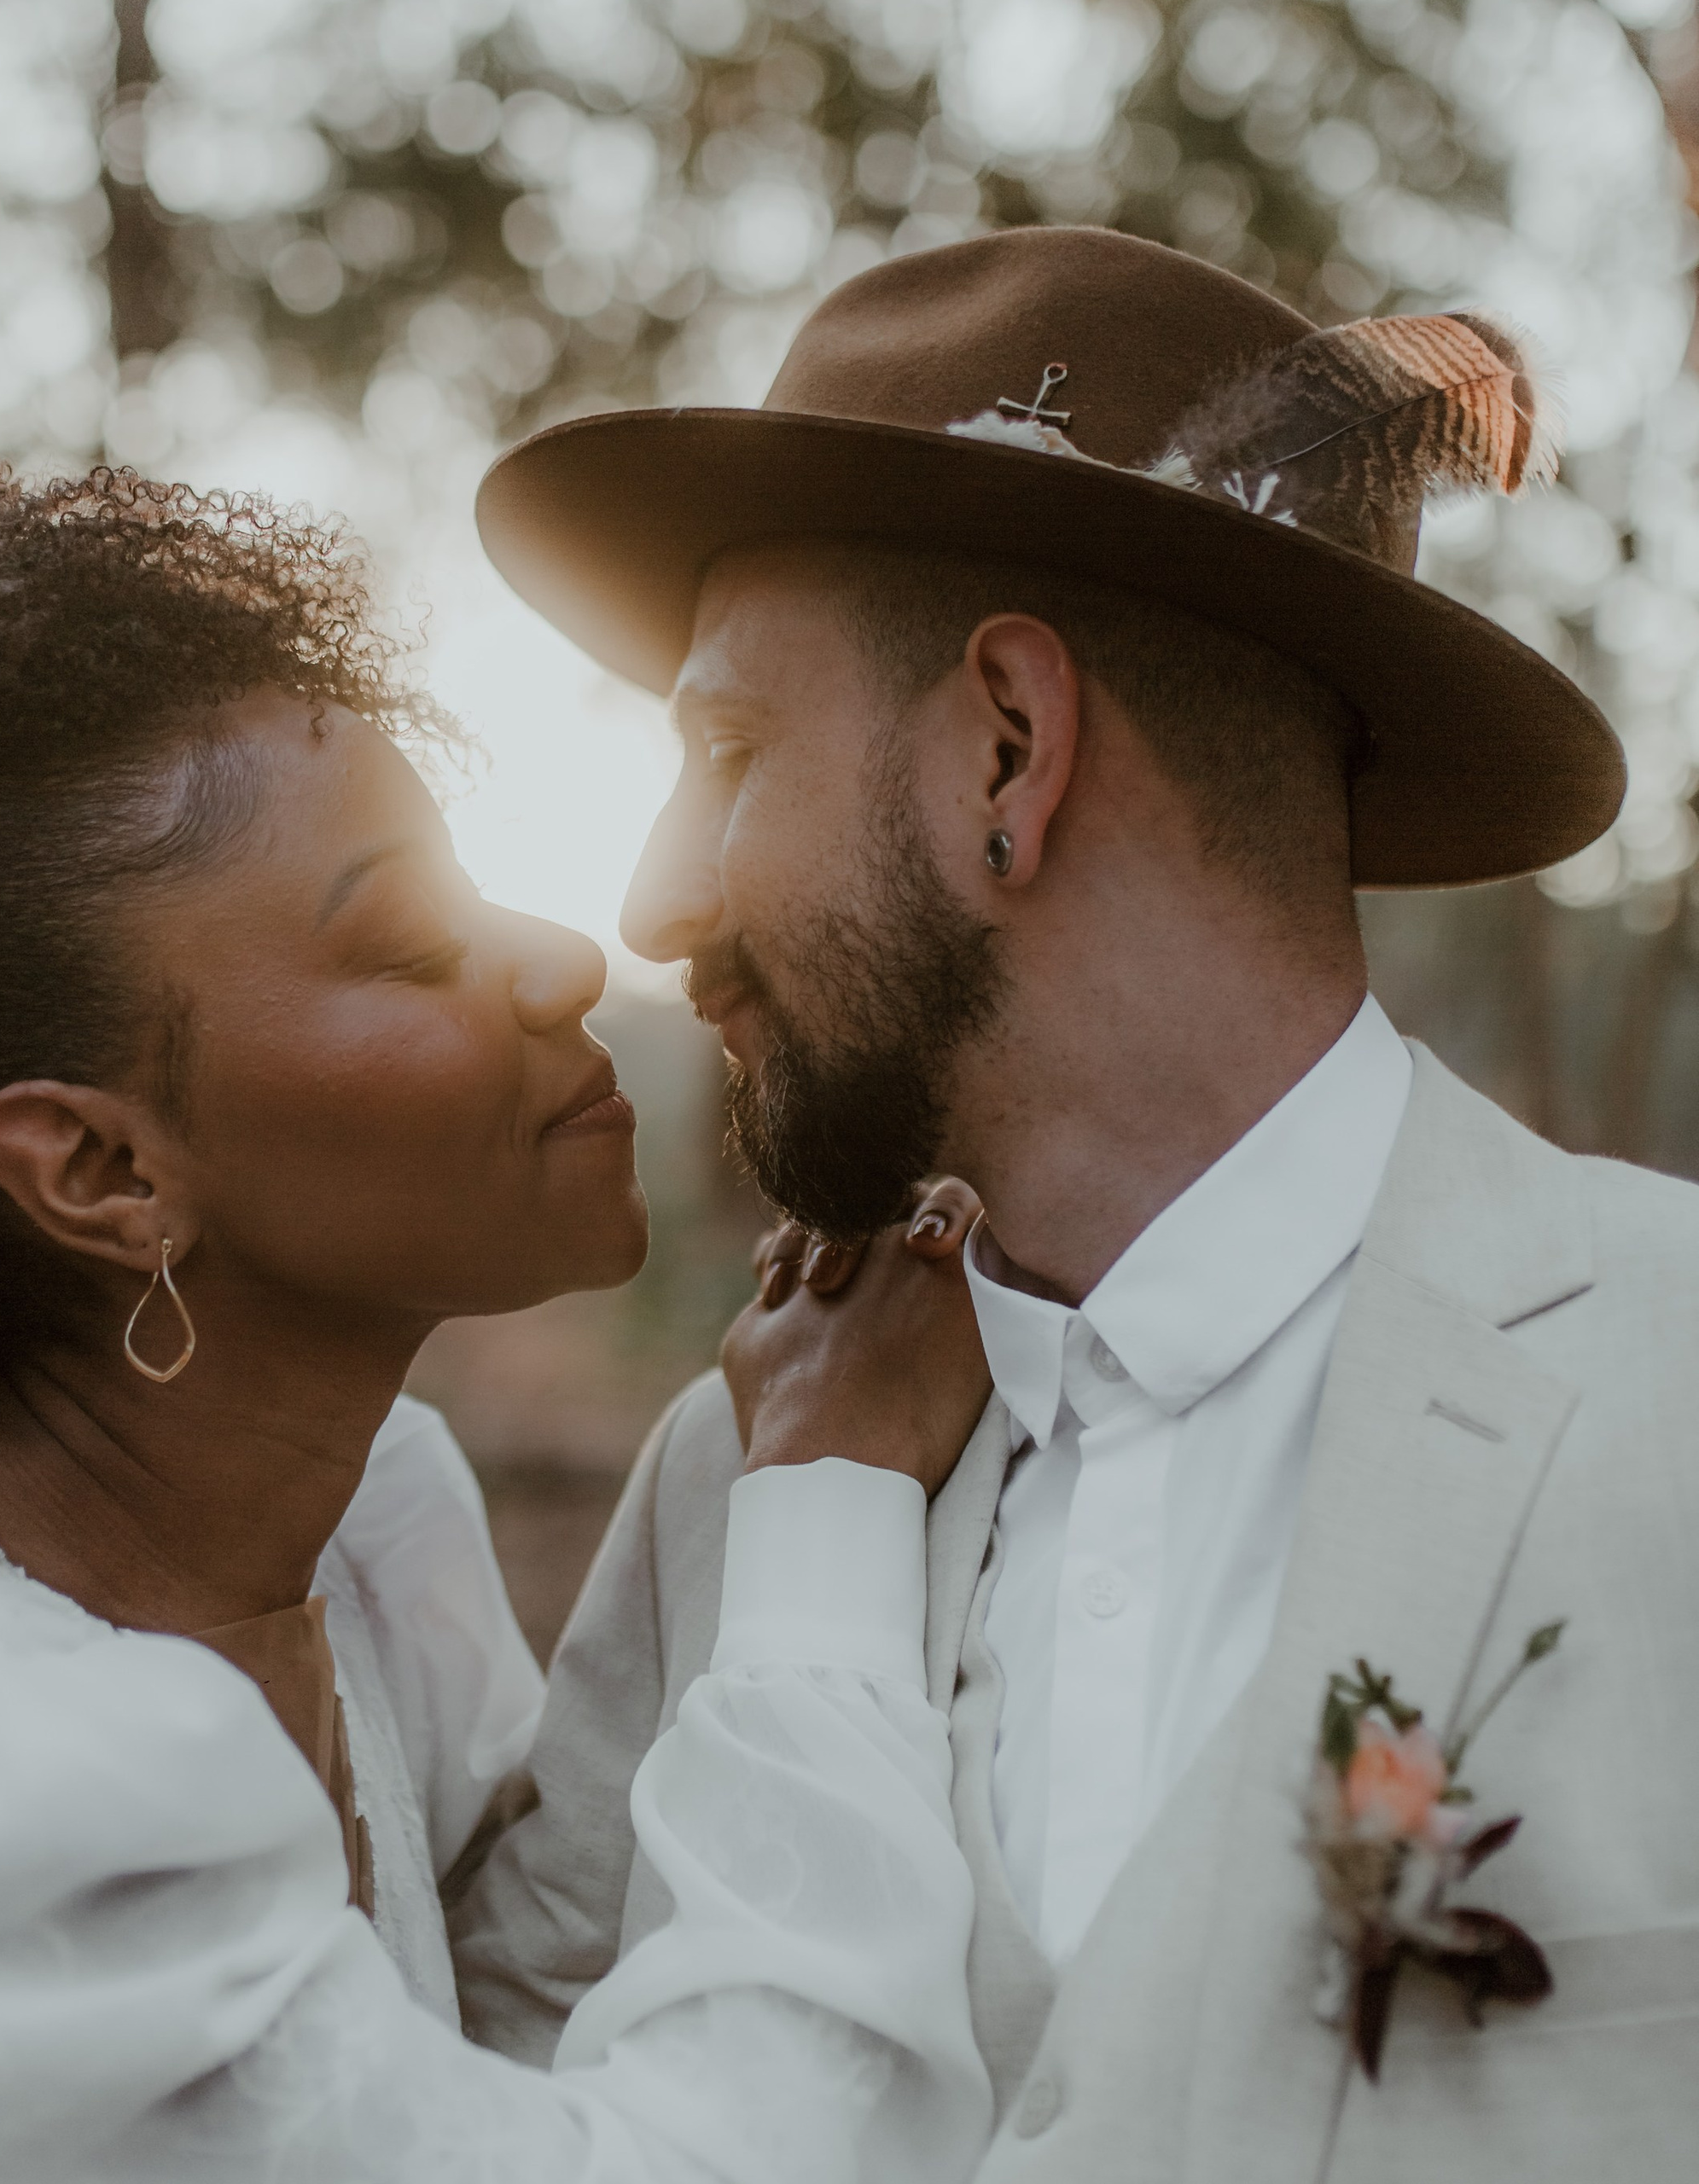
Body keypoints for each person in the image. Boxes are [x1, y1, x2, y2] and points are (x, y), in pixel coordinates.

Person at [0, 461, 1001, 2182]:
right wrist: (825, 1496)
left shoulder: (355, 1534)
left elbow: (495, 2000)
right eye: (409, 943)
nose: (560, 960)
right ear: (103, 1170)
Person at [451, 229, 1699, 2178]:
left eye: (725, 750)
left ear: (1007, 750)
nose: (653, 900)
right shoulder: (742, 1466)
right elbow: (520, 2079)